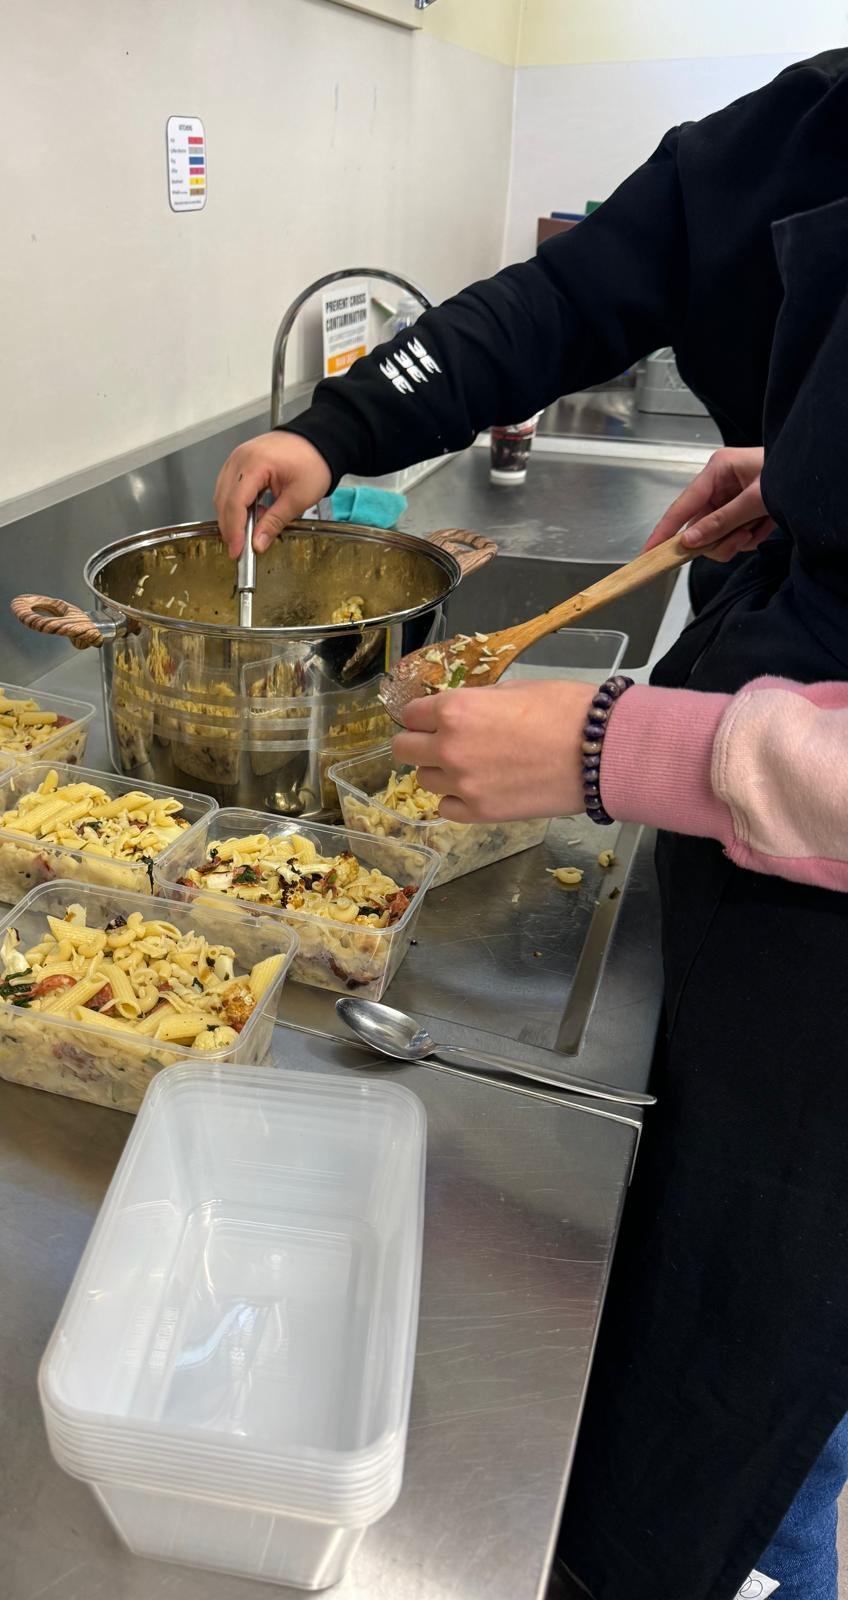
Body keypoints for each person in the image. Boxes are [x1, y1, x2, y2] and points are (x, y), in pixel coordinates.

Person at [211, 51, 848, 1600]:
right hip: (750, 867)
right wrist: (343, 427)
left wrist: (616, 742)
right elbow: (570, 296)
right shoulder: (814, 116)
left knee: (734, 1405)